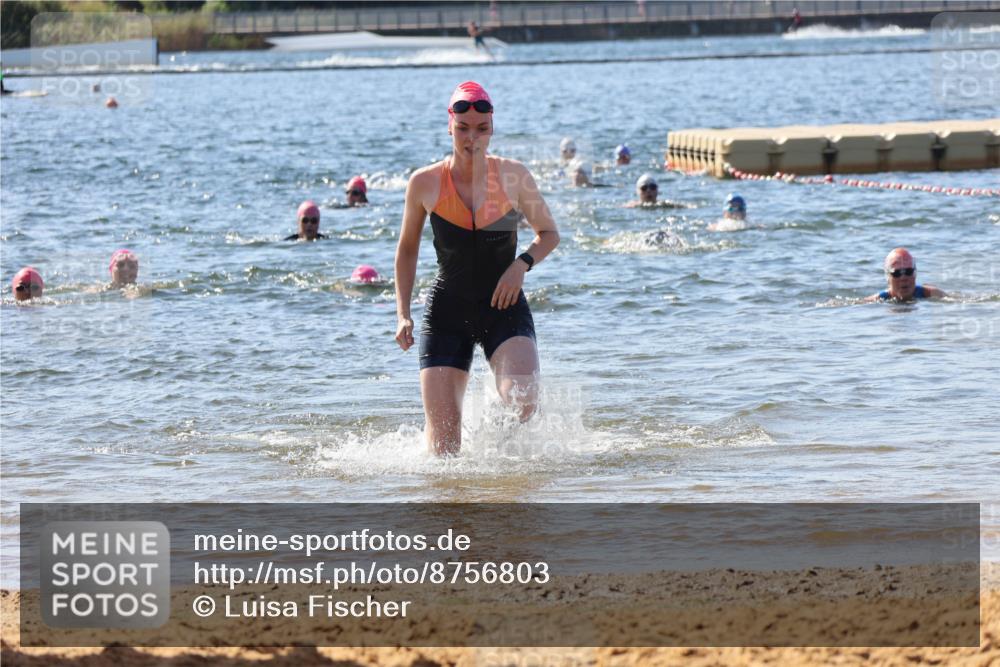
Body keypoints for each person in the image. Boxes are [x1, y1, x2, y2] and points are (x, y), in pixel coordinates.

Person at [394, 81, 560, 456]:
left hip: (504, 305)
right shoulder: (424, 183)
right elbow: (406, 251)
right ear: (449, 125)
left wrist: (521, 265)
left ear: (492, 128)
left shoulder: (513, 177)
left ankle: (497, 477)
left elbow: (548, 233)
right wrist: (402, 314)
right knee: (444, 451)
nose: (473, 139)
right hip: (448, 311)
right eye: (463, 129)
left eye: (481, 129)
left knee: (523, 402)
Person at [867, 248, 945, 302]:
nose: (903, 278)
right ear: (888, 277)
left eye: (908, 272)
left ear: (915, 274)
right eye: (897, 273)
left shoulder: (931, 293)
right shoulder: (877, 300)